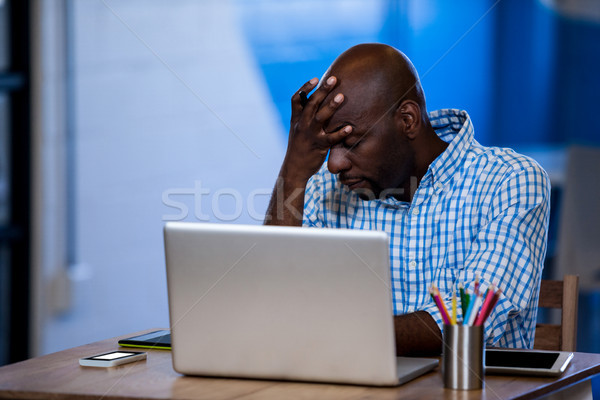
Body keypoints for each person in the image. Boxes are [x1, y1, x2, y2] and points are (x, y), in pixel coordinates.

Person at [264, 43, 550, 356]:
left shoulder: (510, 182)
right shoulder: (325, 191)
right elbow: (269, 300)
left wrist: (328, 329)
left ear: (408, 120)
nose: (334, 164)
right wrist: (293, 170)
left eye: (351, 142)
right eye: (330, 146)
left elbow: (470, 320)